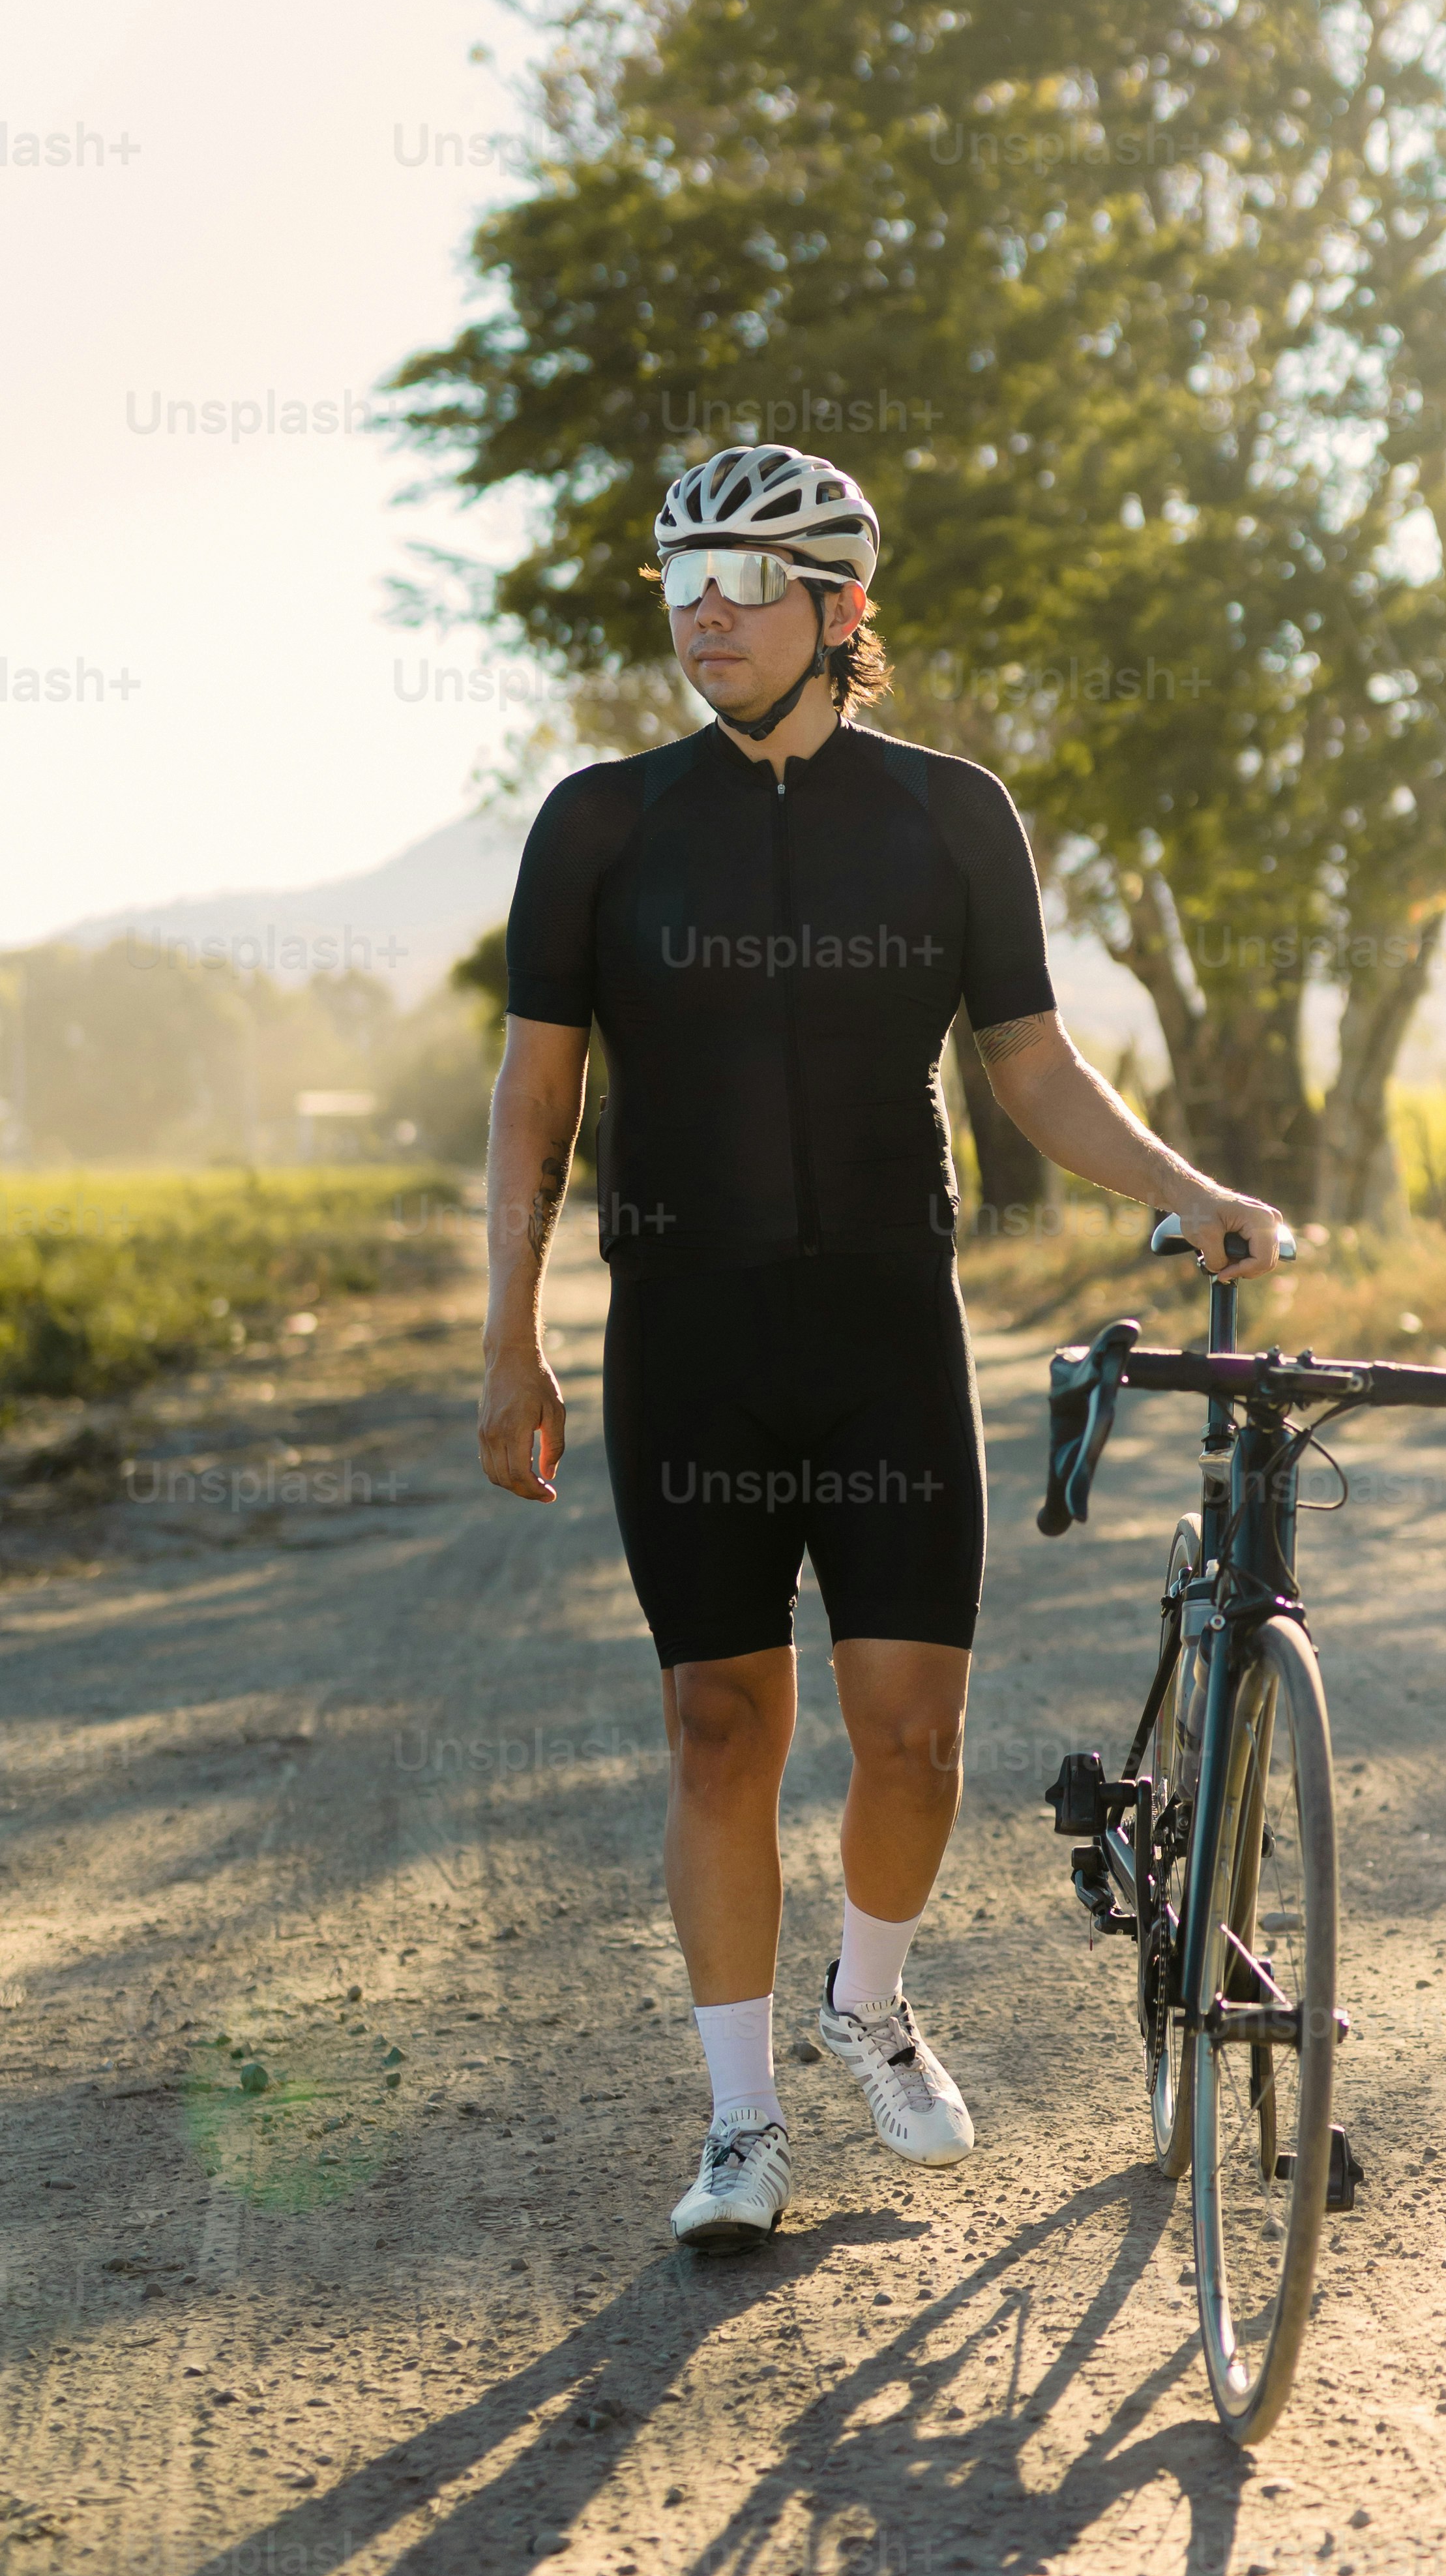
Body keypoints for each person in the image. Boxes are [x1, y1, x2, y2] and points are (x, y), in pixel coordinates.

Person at [477, 443, 1283, 2248]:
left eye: (747, 585)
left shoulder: (948, 817)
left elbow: (1032, 1066)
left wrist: (1186, 1183)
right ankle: (742, 2123)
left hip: (885, 1334)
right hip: (687, 1336)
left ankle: (871, 2004)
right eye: (682, 582)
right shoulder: (600, 824)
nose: (705, 616)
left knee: (911, 1738)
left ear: (843, 614)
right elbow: (536, 1099)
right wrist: (508, 1342)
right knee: (718, 1726)